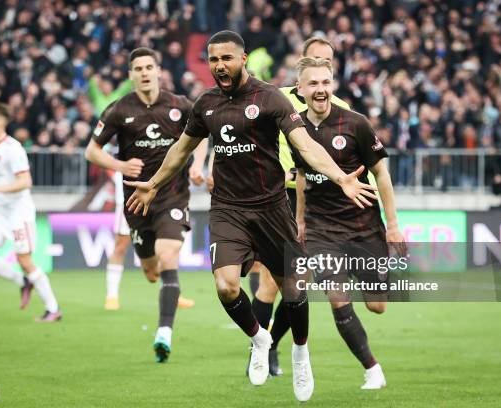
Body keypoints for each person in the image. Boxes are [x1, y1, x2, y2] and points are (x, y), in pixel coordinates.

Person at [124, 31, 377, 402]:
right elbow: (181, 149)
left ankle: (300, 354)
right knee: (226, 286)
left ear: (242, 59)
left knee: (293, 288)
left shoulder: (270, 97)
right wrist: (154, 183)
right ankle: (259, 338)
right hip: (228, 209)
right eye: (213, 60)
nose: (219, 66)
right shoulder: (206, 103)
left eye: (226, 58)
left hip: (272, 208)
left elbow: (304, 143)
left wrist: (340, 177)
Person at [85, 47, 207, 363]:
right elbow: (92, 151)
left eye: (148, 67)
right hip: (137, 202)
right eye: (137, 68)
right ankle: (164, 288)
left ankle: (164, 332)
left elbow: (204, 134)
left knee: (169, 258)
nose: (144, 72)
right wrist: (119, 165)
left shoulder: (180, 105)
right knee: (151, 271)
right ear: (131, 75)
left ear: (158, 70)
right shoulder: (118, 110)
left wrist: (198, 166)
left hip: (172, 196)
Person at [292, 57, 406, 389]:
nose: (320, 89)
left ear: (333, 86)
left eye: (325, 82)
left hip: (364, 227)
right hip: (321, 229)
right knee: (337, 297)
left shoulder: (356, 124)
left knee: (377, 305)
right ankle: (372, 369)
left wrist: (393, 225)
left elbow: (381, 174)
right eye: (313, 84)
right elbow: (301, 176)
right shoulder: (294, 127)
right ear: (300, 90)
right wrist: (299, 220)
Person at [248, 35, 353, 377]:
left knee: (299, 282)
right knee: (270, 281)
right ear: (302, 66)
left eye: (329, 62)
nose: (323, 66)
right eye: (316, 60)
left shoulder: (342, 110)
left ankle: (274, 346)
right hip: (280, 196)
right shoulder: (277, 100)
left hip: (317, 202)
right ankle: (258, 351)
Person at [0, 103, 62, 322]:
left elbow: (25, 181)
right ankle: (22, 281)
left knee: (25, 261)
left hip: (18, 212)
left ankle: (53, 309)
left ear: (1, 121)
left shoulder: (13, 148)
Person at [104, 164, 197, 311]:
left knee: (165, 249)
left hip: (157, 198)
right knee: (120, 245)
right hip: (128, 199)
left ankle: (172, 292)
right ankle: (112, 296)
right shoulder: (125, 144)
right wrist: (121, 167)